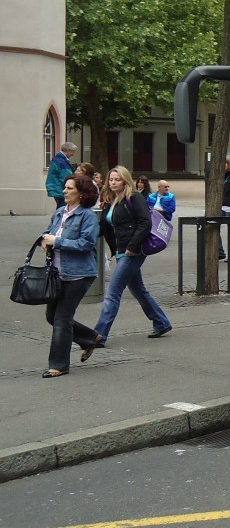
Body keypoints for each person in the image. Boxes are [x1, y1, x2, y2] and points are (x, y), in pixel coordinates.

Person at [92, 166, 173, 342]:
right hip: (122, 250)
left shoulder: (134, 197)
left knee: (113, 292)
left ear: (125, 180)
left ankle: (99, 335)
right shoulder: (111, 199)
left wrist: (133, 246)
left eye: (117, 179)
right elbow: (106, 226)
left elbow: (145, 222)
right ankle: (161, 322)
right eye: (111, 179)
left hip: (133, 251)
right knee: (139, 290)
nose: (113, 182)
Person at [36, 174, 105, 378]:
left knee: (62, 319)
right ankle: (90, 338)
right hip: (58, 273)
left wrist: (56, 242)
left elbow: (86, 244)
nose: (64, 191)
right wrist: (43, 239)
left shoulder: (87, 216)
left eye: (69, 188)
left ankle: (59, 365)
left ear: (82, 194)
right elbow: (50, 231)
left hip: (80, 274)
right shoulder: (59, 212)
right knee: (52, 316)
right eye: (65, 188)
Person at [45, 141, 76, 208]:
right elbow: (65, 177)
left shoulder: (58, 160)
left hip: (56, 188)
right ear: (68, 150)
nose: (73, 154)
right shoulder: (62, 162)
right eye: (72, 151)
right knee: (63, 208)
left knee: (61, 207)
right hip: (59, 189)